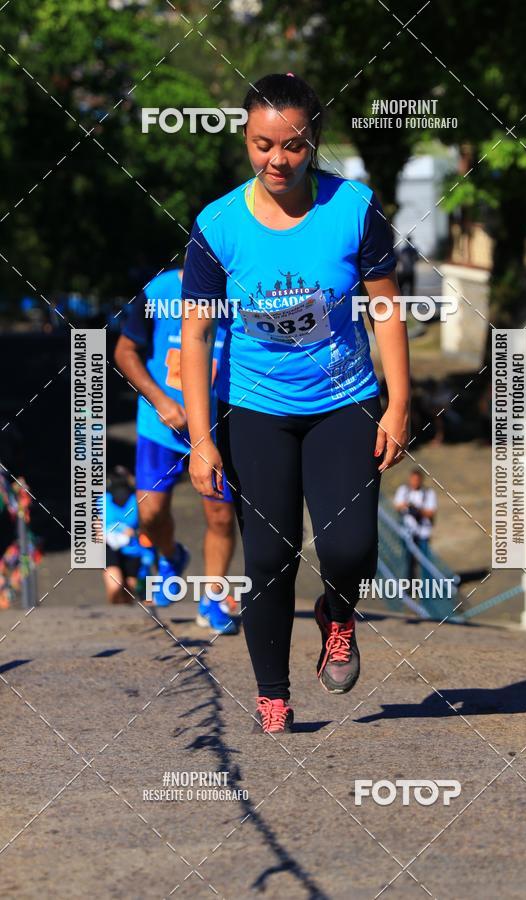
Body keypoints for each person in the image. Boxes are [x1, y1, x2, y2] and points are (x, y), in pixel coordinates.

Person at [180, 73, 410, 733]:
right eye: (262, 145)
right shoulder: (217, 226)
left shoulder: (353, 209)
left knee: (350, 547)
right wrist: (202, 438)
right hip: (255, 409)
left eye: (293, 146)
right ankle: (273, 696)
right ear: (245, 139)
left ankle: (337, 613)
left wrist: (398, 405)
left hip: (344, 400)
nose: (276, 160)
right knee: (267, 557)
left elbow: (386, 311)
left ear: (314, 142)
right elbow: (196, 336)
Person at [114, 268, 239, 633]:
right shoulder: (160, 290)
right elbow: (124, 352)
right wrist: (160, 401)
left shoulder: (244, 288)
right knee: (150, 514)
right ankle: (172, 554)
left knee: (220, 516)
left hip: (220, 427)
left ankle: (213, 599)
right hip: (162, 425)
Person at [103, 466, 141, 604]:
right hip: (109, 546)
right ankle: (114, 612)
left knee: (130, 588)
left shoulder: (137, 500)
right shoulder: (103, 500)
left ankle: (124, 612)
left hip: (133, 547)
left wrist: (135, 533)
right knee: (115, 586)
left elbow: (148, 526)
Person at [393, 468, 437, 580]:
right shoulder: (403, 490)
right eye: (413, 480)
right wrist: (407, 505)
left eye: (417, 480)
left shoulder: (428, 493)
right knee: (407, 562)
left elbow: (431, 512)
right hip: (407, 533)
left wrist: (418, 511)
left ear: (421, 480)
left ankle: (426, 586)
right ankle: (409, 584)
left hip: (423, 533)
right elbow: (397, 506)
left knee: (425, 562)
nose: (414, 482)